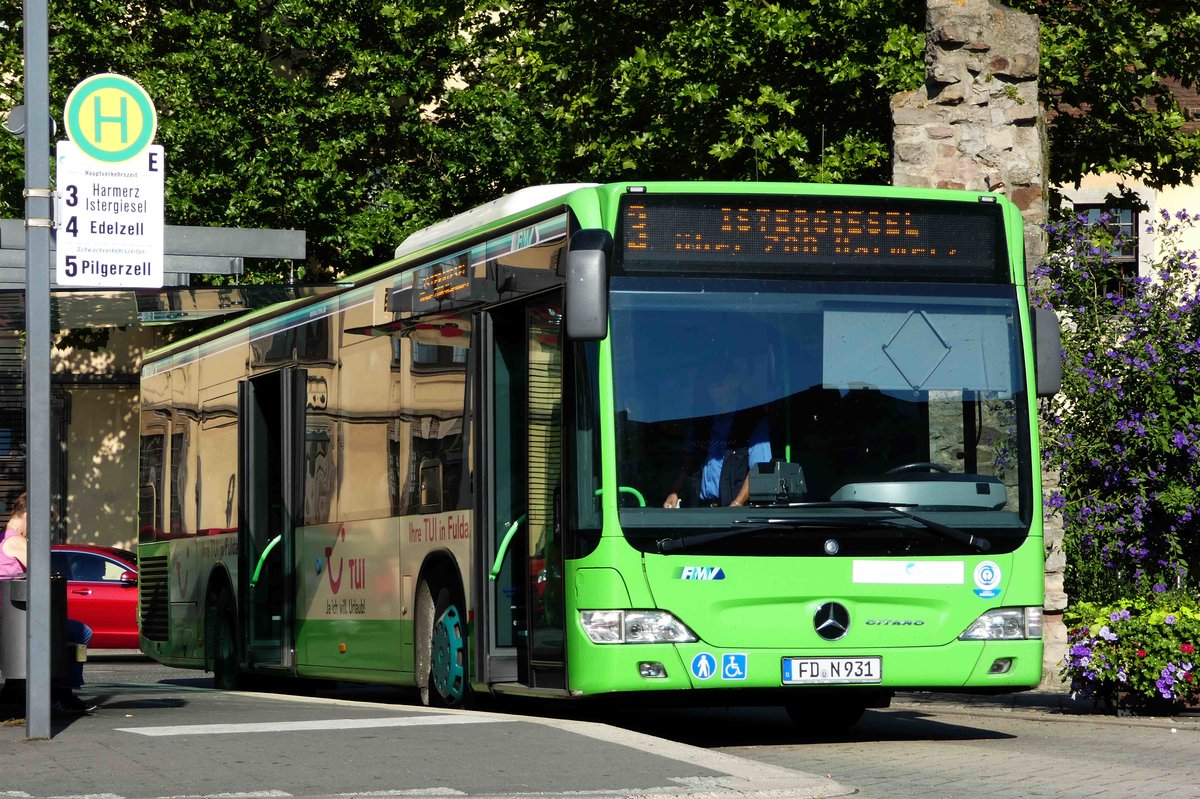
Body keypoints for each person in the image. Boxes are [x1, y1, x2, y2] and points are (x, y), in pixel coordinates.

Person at [0, 492, 98, 715]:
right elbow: (41, 571)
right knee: (81, 633)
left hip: (14, 617)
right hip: (20, 619)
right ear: (27, 514)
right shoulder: (16, 541)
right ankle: (61, 694)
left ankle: (15, 689)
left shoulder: (5, 538)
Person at [663, 368, 772, 508]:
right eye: (711, 386)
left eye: (721, 384)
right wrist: (675, 492)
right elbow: (688, 460)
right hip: (700, 509)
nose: (715, 391)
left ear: (735, 381)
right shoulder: (701, 421)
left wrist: (738, 503)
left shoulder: (753, 421)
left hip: (733, 513)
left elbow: (760, 468)